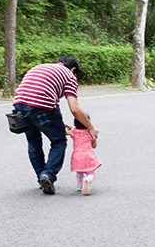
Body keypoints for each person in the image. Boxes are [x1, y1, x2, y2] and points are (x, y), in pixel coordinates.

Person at [12, 55, 97, 194]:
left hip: (20, 105)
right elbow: (75, 109)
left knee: (34, 143)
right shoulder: (69, 76)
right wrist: (90, 127)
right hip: (43, 107)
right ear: (73, 69)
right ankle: (48, 175)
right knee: (59, 141)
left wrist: (58, 124)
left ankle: (41, 177)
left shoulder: (39, 67)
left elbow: (34, 95)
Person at [69, 119, 101, 195]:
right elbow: (94, 146)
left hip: (77, 156)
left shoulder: (74, 132)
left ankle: (79, 185)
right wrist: (95, 137)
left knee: (79, 172)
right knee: (91, 173)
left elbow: (66, 133)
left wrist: (67, 129)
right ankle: (88, 179)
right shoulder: (90, 133)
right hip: (87, 155)